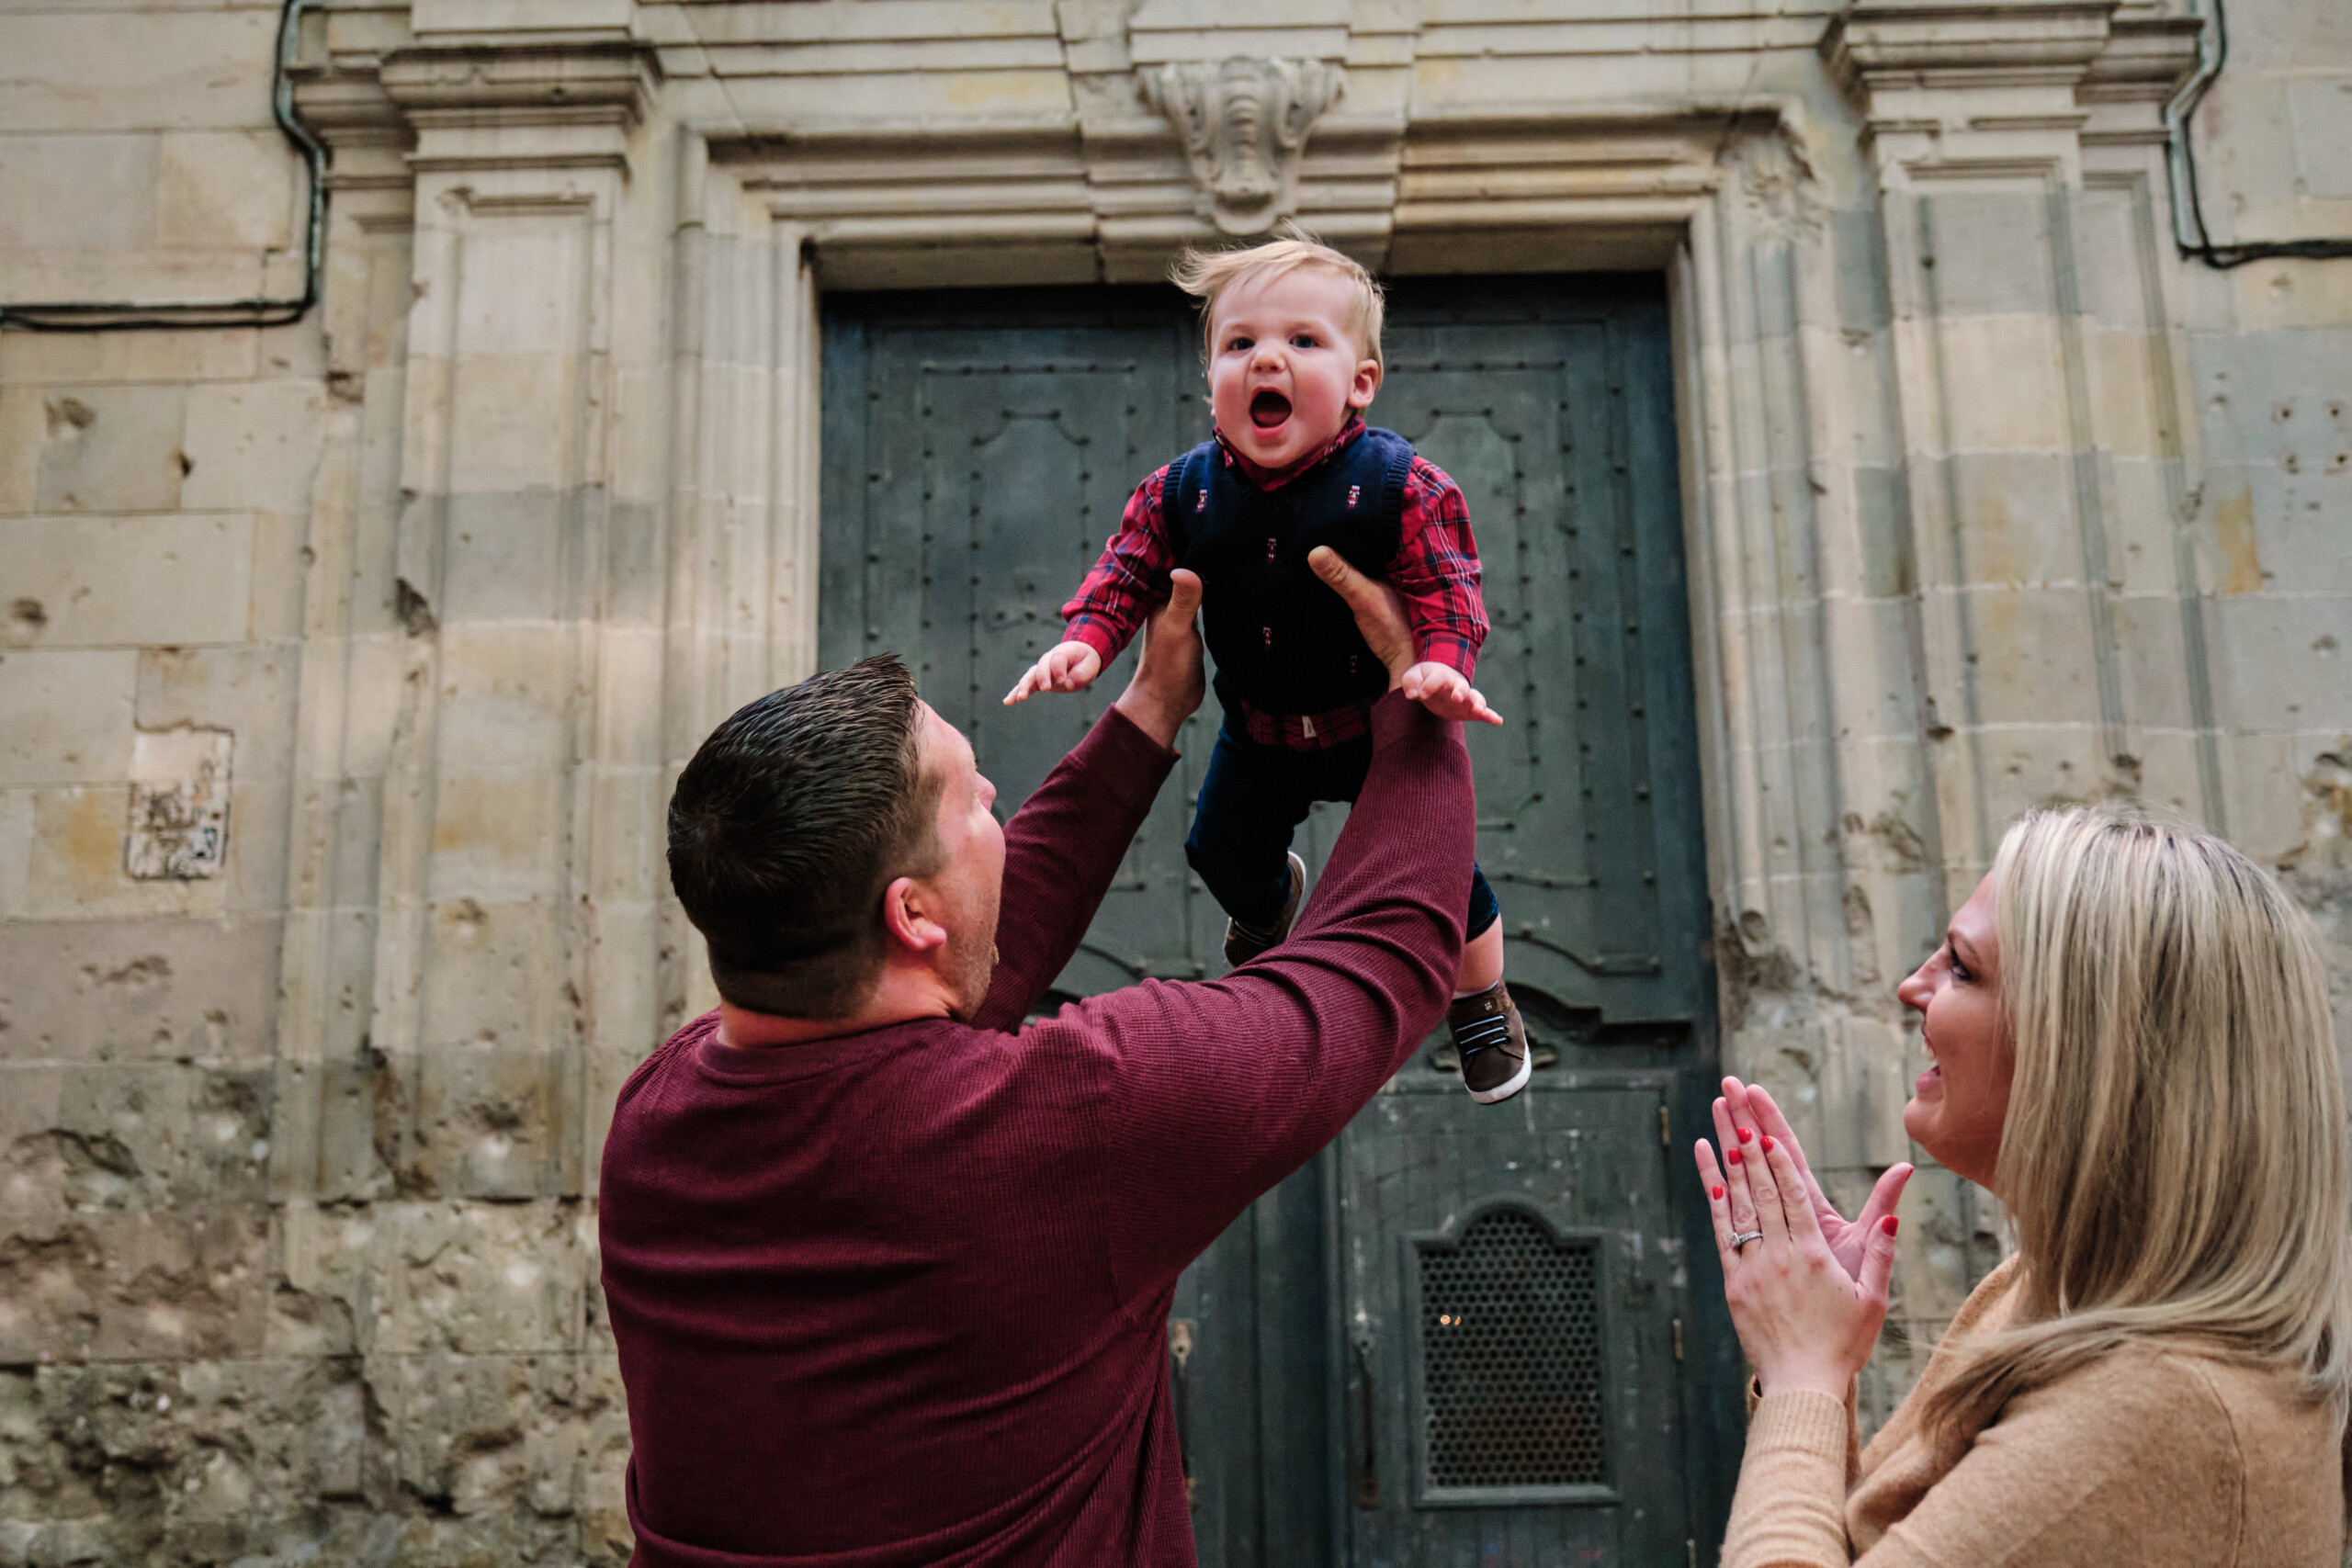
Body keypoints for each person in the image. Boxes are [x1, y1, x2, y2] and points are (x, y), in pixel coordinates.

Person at [599, 547, 1476, 1566]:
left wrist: (1149, 712)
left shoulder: (654, 1124)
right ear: (911, 913)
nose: (999, 816)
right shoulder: (1070, 1127)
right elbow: (1375, 967)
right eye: (976, 800)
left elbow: (950, 972)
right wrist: (1416, 695)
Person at [1694, 806, 2351, 1565]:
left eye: (1962, 968)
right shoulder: (2043, 1290)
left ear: (2086, 1052)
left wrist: (1800, 1372)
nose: (1913, 986)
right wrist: (1821, 1365)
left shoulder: (2160, 1414)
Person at [1001, 235, 1532, 1102]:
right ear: (1209, 377)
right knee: (1219, 847)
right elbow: (1128, 567)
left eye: (1303, 341)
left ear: (1361, 382)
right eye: (1239, 343)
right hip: (1261, 725)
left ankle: (1481, 996)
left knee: (1442, 870)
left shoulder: (1401, 485)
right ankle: (1265, 897)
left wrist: (1441, 665)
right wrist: (1089, 641)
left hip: (1370, 719)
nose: (1266, 359)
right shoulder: (1182, 491)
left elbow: (1447, 582)